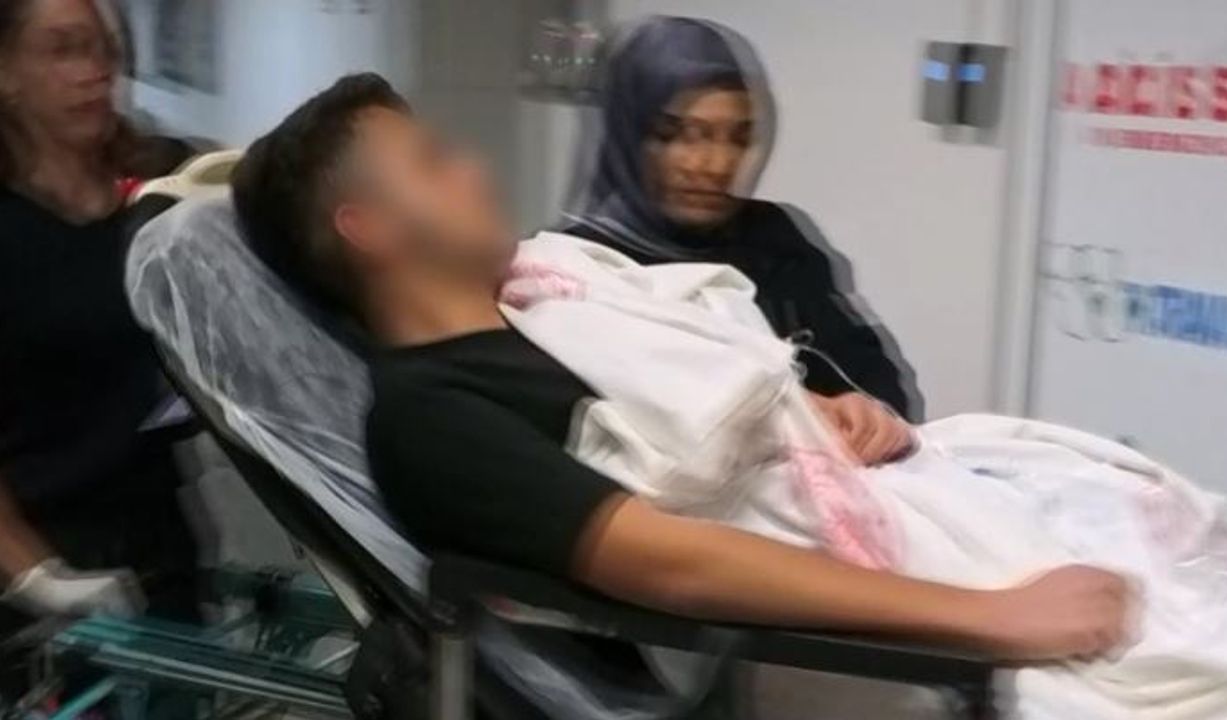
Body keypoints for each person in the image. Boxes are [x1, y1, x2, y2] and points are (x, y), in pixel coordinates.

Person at [233, 74, 1132, 666]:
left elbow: (730, 395)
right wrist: (990, 619)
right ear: (369, 228)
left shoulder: (554, 304)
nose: (475, 168)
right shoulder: (431, 413)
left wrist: (829, 418)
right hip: (843, 641)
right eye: (434, 161)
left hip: (907, 505)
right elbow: (672, 562)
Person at [563, 17, 924, 447]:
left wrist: (869, 414)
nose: (716, 164)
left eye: (738, 138)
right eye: (678, 134)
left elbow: (876, 379)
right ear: (627, 136)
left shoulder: (774, 236)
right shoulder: (576, 269)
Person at [0, 0, 201, 645]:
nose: (95, 69)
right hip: (38, 561)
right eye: (64, 49)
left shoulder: (163, 185)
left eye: (104, 49)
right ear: (6, 74)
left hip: (160, 539)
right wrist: (38, 577)